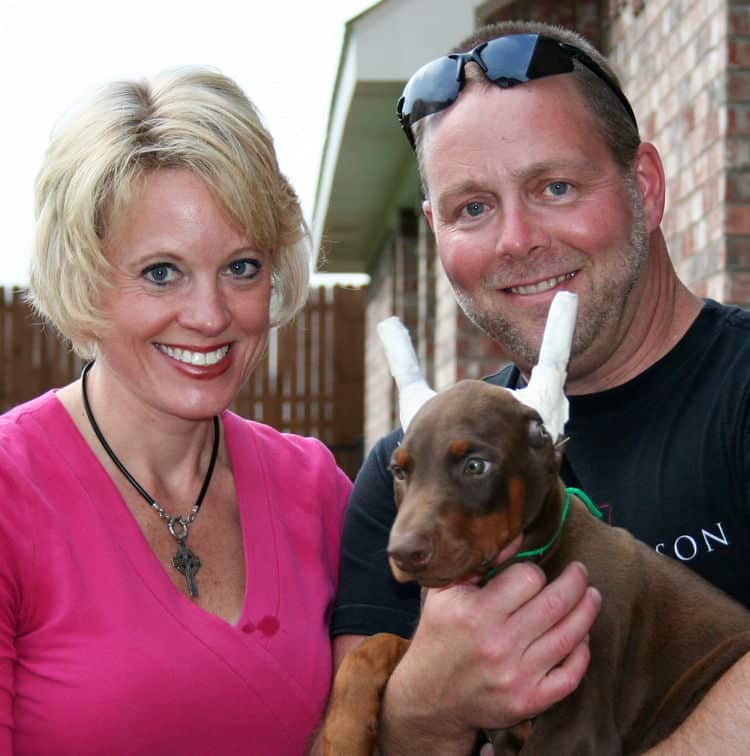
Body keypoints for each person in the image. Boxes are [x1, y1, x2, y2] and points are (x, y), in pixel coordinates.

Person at [331, 19, 750, 754]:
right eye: (472, 208)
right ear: (436, 235)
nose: (516, 239)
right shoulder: (409, 468)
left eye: (555, 186)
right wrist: (427, 705)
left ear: (644, 188)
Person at [0, 67, 351, 755]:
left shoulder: (319, 491)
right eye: (162, 272)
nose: (211, 314)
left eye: (242, 267)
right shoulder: (11, 495)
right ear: (85, 279)